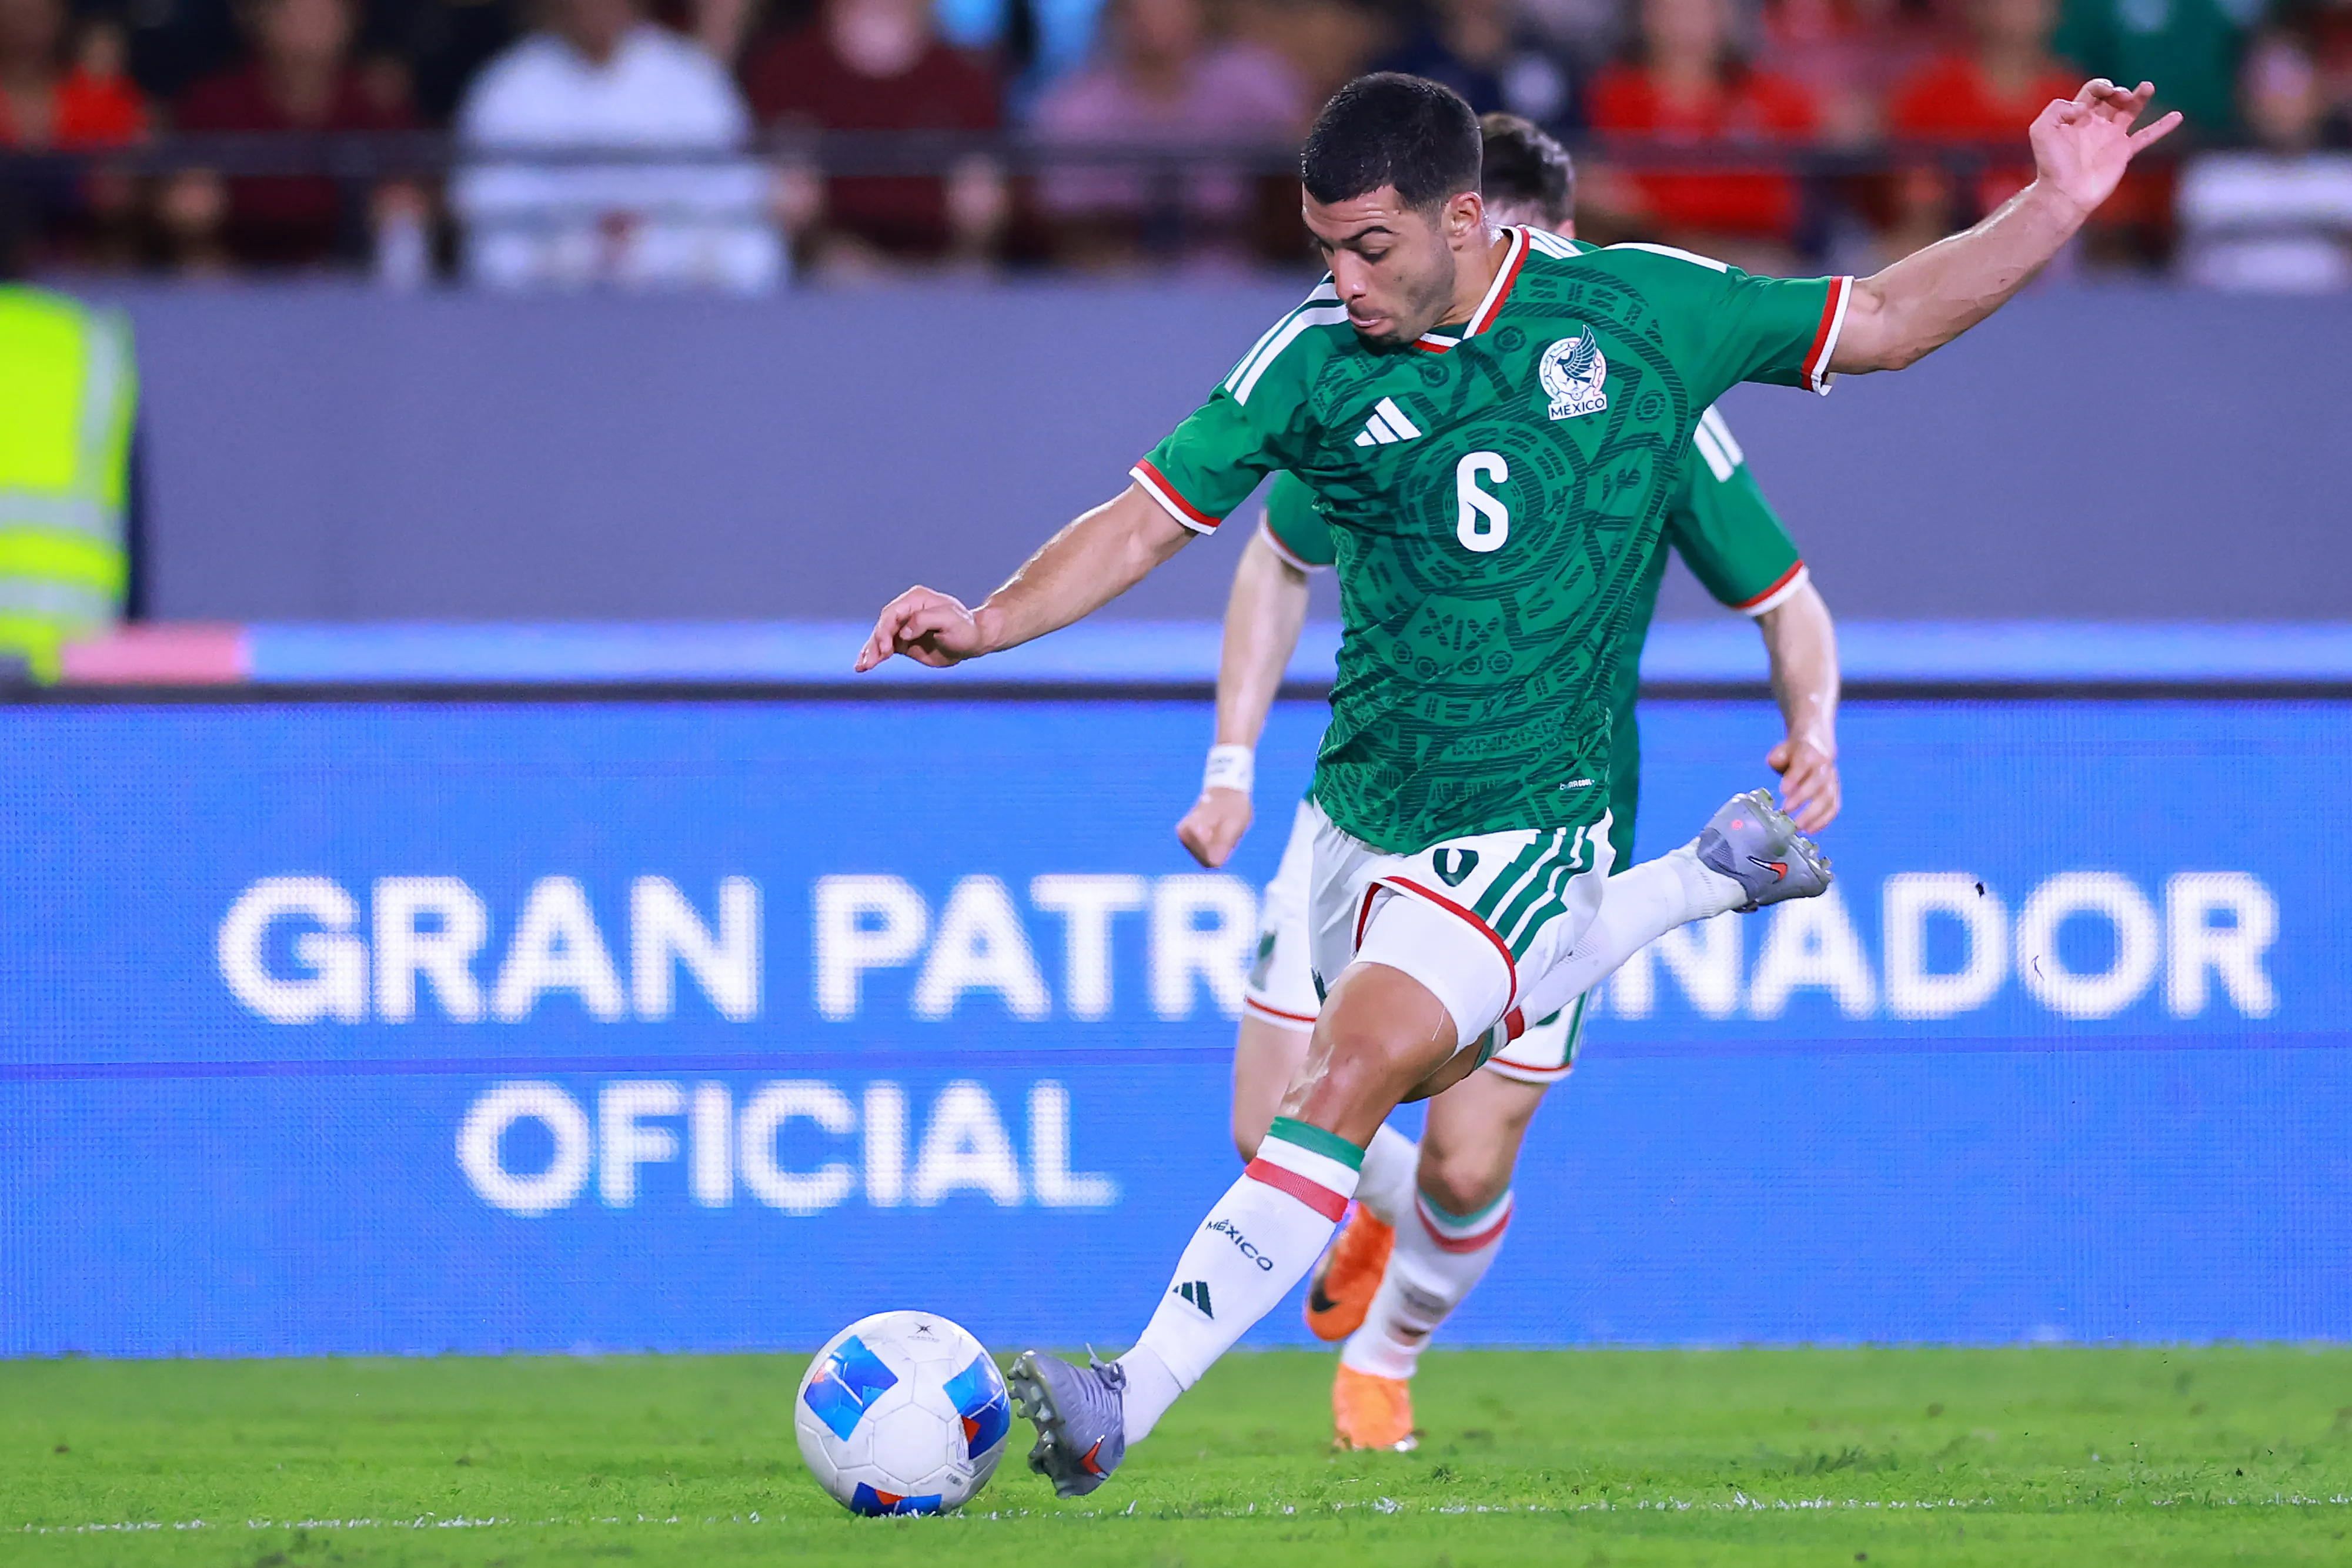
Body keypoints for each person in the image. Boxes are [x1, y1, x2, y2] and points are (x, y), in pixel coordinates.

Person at [854, 69, 2177, 1497]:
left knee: (1361, 1081)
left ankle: (1128, 1392)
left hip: (1526, 817)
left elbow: (1888, 322)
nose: (1341, 280)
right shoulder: (1310, 357)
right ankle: (1705, 876)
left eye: (1370, 248)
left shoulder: (1637, 314)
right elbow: (1146, 521)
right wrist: (987, 620)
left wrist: (2051, 204)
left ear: (1466, 217)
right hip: (1357, 810)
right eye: (1321, 249)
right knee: (1326, 1100)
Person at [1175, 112, 1843, 1452]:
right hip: (1371, 805)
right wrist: (1231, 762)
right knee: (1273, 1125)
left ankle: (1388, 1350)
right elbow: (1274, 554)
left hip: (1548, 825)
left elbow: (1786, 597)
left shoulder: (1635, 398)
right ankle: (1365, 1208)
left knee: (1470, 1164)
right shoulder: (1369, 381)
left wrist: (1813, 724)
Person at [452, 0, 781, 292]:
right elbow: (480, 195)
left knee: (752, 250)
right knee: (498, 256)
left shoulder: (687, 71)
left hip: (666, 244)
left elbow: (735, 181)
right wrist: (586, 231)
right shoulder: (511, 81)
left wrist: (644, 229)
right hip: (558, 251)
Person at [1029, 0, 1305, 268]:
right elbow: (1066, 226)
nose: (1158, 15)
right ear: (1118, 15)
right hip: (1113, 286)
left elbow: (1310, 145)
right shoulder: (1075, 108)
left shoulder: (1249, 82)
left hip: (1242, 277)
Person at [741, 0, 1008, 273]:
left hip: (944, 268)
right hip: (823, 267)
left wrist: (977, 232)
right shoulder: (788, 68)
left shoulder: (964, 76)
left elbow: (997, 196)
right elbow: (746, 184)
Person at [169, 0, 415, 270]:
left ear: (350, 23)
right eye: (293, 16)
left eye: (323, 17)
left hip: (351, 274)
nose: (308, 32)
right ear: (262, 22)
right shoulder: (215, 101)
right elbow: (175, 191)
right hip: (234, 272)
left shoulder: (375, 104)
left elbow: (422, 186)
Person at [1586, 0, 1824, 271]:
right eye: (1674, 10)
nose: (1686, 24)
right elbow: (1602, 194)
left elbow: (1777, 202)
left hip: (1748, 254)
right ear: (1646, 15)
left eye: (1703, 9)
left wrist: (1654, 205)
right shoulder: (1614, 94)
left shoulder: (1767, 96)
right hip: (1646, 255)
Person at [2176, 30, 2352, 291]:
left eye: (2292, 85)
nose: (2279, 100)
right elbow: (2184, 273)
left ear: (2319, 91)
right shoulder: (2212, 178)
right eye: (2268, 86)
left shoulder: (2343, 178)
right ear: (2244, 96)